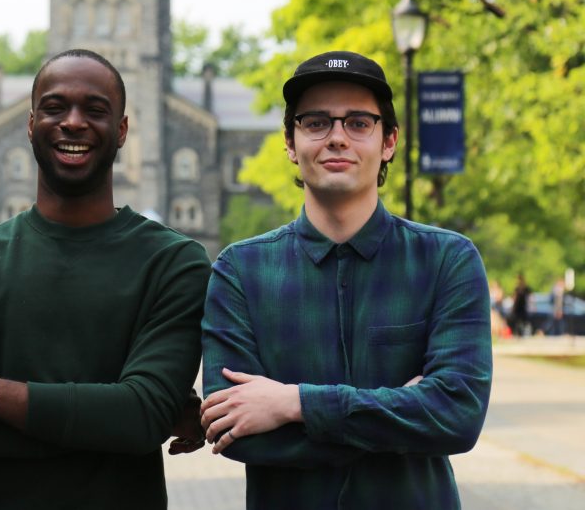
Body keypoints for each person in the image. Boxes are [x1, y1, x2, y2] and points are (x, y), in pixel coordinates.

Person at [0, 49, 211, 509]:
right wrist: (122, 420)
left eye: (95, 110)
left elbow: (141, 419)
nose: (73, 122)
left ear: (123, 130)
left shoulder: (174, 263)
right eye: (55, 107)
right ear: (30, 124)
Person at [201, 50, 492, 509]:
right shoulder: (240, 270)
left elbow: (458, 418)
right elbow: (232, 431)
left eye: (358, 122)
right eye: (316, 122)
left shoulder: (446, 260)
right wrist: (403, 414)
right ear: (291, 143)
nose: (337, 137)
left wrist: (292, 404)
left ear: (389, 141)